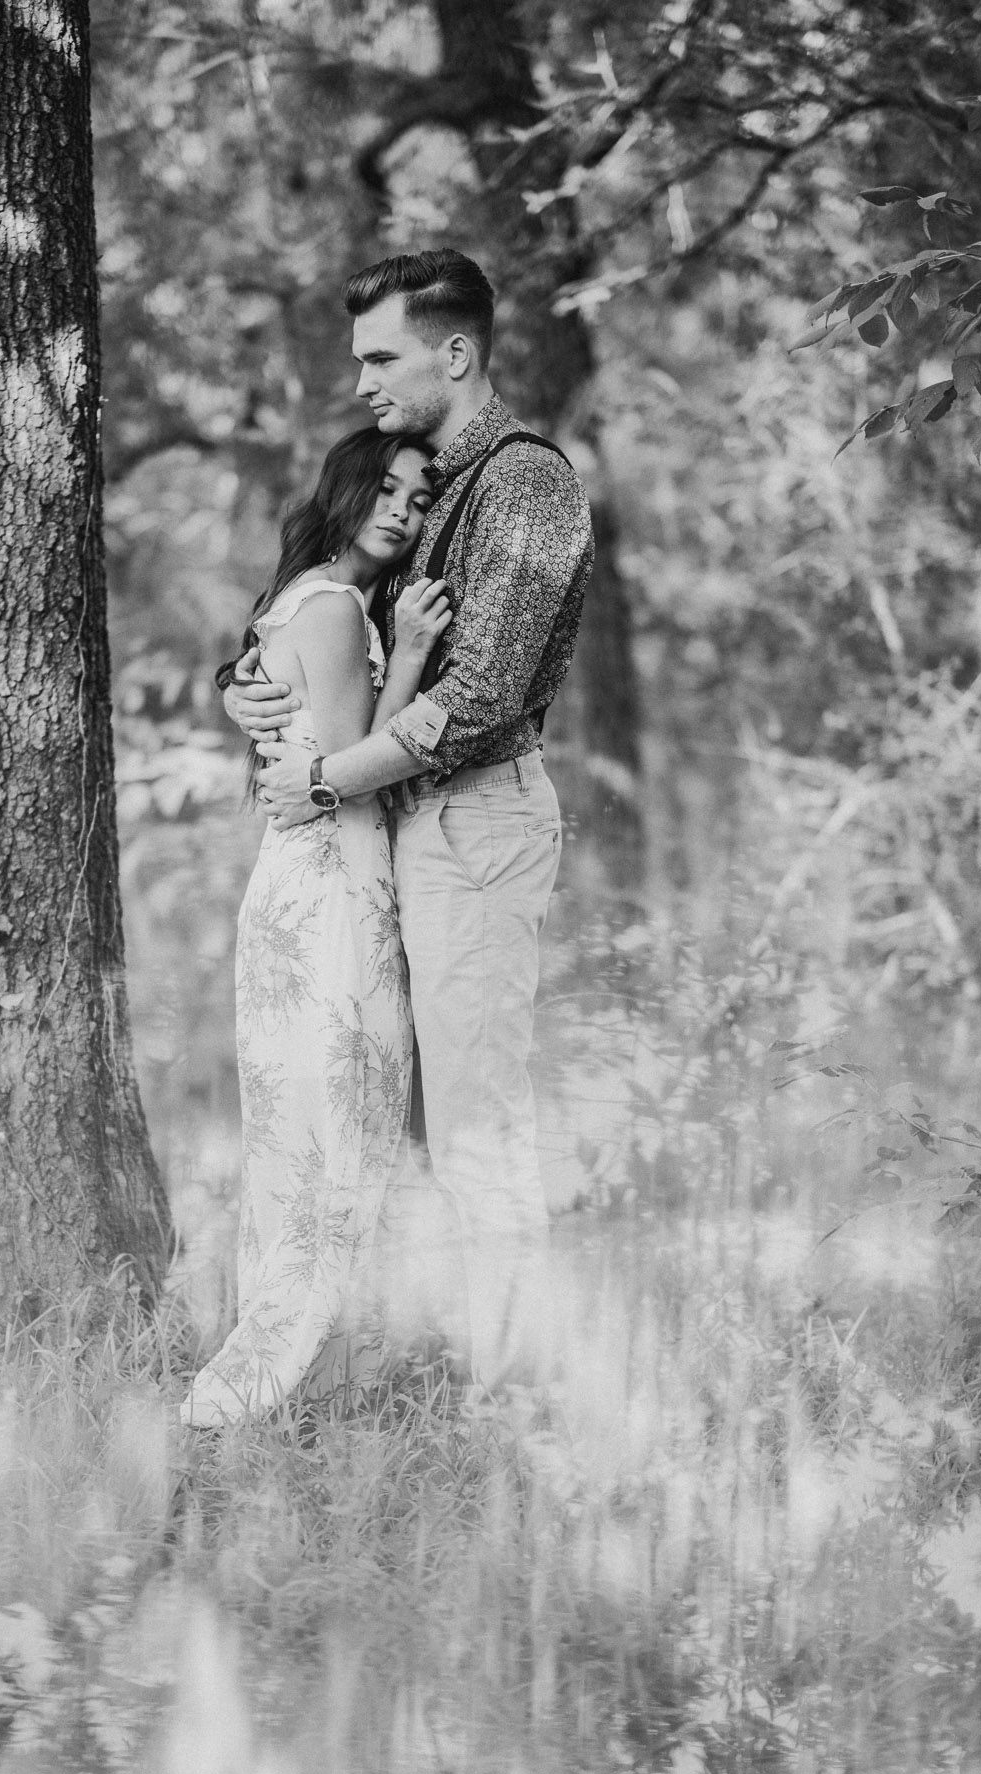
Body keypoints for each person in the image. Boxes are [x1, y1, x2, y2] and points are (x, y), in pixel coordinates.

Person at [224, 249, 594, 1391]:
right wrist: (247, 685)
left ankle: (515, 1399)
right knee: (406, 1123)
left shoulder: (524, 483)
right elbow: (334, 625)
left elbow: (478, 699)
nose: (365, 381)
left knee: (478, 1126)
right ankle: (439, 1365)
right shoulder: (430, 483)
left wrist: (330, 780)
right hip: (400, 832)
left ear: (455, 352)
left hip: (472, 825)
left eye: (381, 357)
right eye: (358, 361)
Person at [180, 428, 453, 1427]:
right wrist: (416, 650)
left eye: (418, 499)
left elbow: (292, 716)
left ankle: (312, 1384)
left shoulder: (302, 600)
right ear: (343, 489)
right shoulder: (336, 608)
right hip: (333, 895)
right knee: (340, 1144)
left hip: (296, 892)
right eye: (384, 487)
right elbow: (351, 765)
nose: (400, 509)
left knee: (306, 1147)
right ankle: (267, 1384)